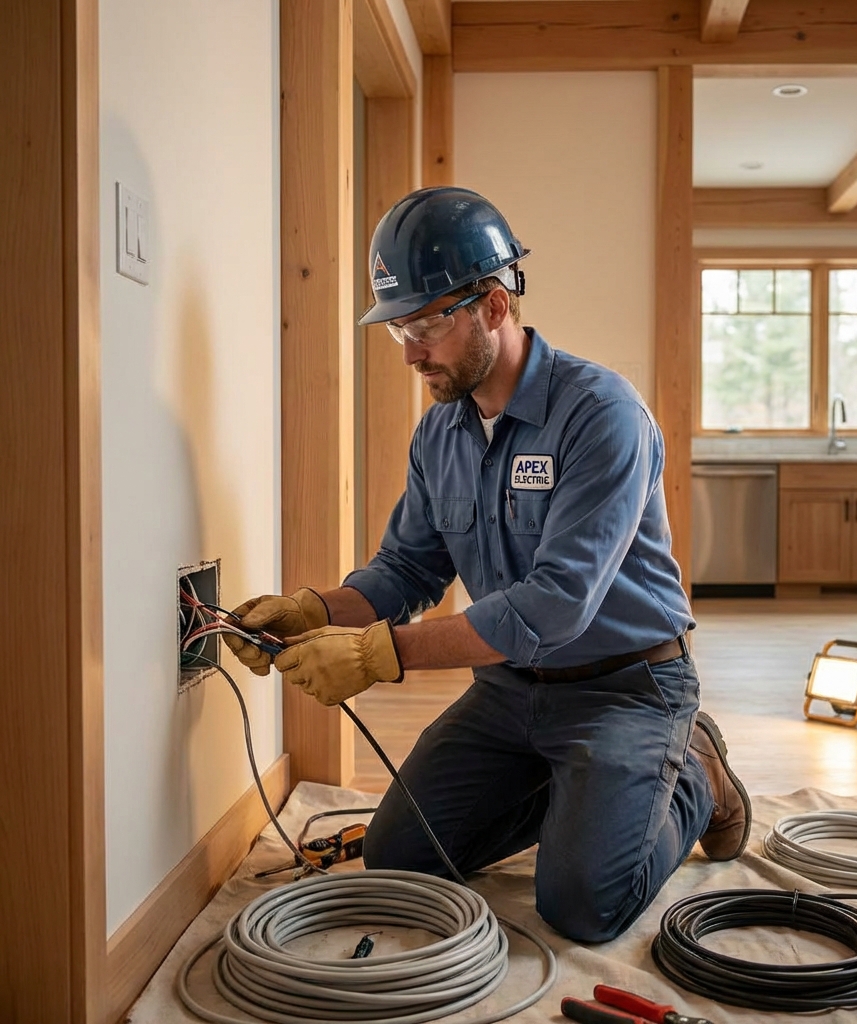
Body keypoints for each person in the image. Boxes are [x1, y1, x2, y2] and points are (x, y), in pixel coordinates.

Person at [225, 187, 751, 943]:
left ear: (494, 306)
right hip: (510, 695)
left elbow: (555, 605)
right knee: (399, 855)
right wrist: (313, 609)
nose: (409, 352)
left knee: (582, 905)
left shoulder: (602, 414)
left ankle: (697, 771)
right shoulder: (440, 433)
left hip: (624, 688)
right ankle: (583, 795)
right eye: (396, 329)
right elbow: (405, 571)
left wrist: (380, 656)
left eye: (424, 324)